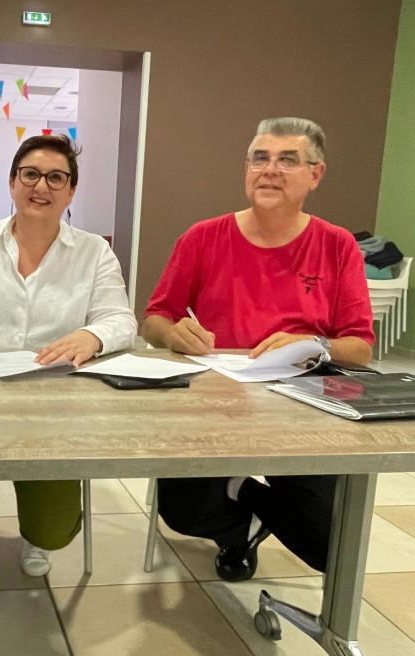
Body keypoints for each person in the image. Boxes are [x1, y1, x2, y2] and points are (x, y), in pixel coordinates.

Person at [0, 134, 137, 656]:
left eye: (56, 177)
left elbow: (120, 319)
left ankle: (39, 534)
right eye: (30, 174)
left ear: (71, 191)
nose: (42, 186)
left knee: (54, 530)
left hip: (53, 399)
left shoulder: (94, 251)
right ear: (13, 183)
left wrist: (92, 336)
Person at [142, 117, 374, 580]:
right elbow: (154, 319)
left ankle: (242, 491)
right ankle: (238, 525)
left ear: (316, 174)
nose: (270, 170)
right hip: (214, 400)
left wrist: (315, 343)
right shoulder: (202, 237)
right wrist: (172, 335)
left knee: (329, 547)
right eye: (259, 159)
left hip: (303, 405)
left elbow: (360, 348)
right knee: (184, 513)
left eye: (288, 160)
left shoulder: (337, 245)